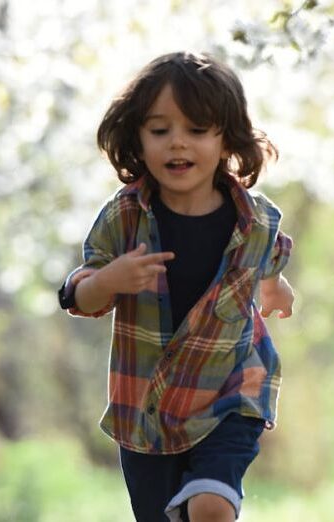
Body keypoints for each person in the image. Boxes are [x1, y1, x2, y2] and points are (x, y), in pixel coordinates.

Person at [58, 51, 294, 522]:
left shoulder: (255, 221)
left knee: (211, 505)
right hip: (148, 409)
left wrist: (275, 287)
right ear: (138, 138)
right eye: (160, 131)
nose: (177, 144)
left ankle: (212, 502)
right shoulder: (125, 218)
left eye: (196, 130)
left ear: (226, 136)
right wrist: (108, 280)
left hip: (231, 393)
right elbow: (76, 294)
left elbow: (266, 262)